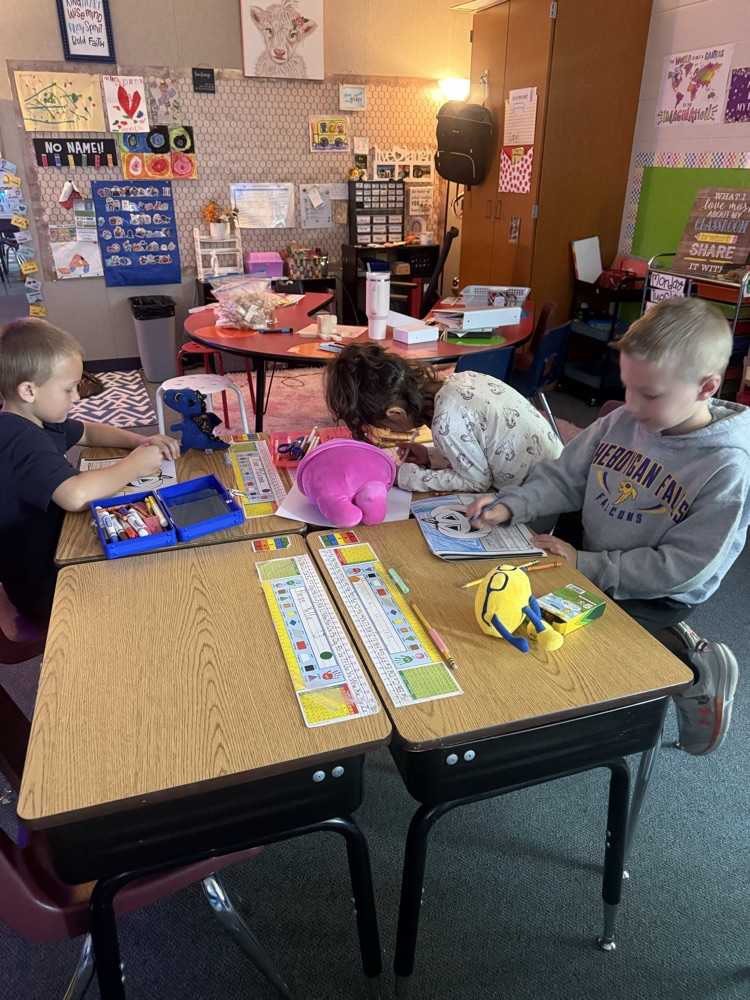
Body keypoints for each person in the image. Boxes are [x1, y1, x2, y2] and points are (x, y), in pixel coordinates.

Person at [468, 296, 750, 756]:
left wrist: (589, 566)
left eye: (650, 394)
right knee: (514, 608)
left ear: (706, 387)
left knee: (550, 652)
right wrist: (509, 506)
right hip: (595, 557)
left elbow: (684, 567)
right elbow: (565, 478)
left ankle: (690, 672)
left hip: (657, 590)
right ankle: (656, 645)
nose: (629, 405)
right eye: (627, 387)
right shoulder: (621, 420)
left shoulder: (728, 464)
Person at [0, 318, 180, 628]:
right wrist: (133, 465)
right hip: (47, 583)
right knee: (159, 588)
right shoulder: (17, 436)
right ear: (28, 390)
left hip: (59, 545)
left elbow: (88, 432)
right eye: (68, 389)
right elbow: (75, 495)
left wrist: (139, 440)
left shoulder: (37, 417)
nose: (77, 398)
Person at [324, 342, 562, 493]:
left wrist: (407, 478)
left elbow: (477, 482)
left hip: (539, 498)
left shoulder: (446, 420)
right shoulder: (458, 381)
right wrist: (431, 456)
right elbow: (479, 448)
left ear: (395, 413)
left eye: (384, 426)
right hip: (558, 473)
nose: (387, 431)